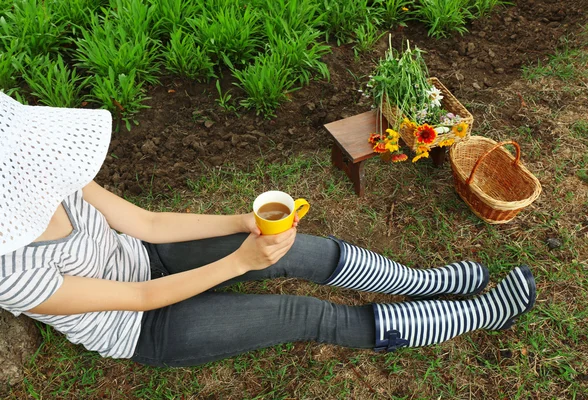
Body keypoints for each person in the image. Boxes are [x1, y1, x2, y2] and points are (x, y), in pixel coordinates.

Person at [0, 92, 536, 367]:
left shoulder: (48, 170)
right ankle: (477, 313)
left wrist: (243, 224)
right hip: (140, 328)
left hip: (147, 259)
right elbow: (139, 299)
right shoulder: (12, 272)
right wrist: (239, 261)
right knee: (304, 314)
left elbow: (144, 223)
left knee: (299, 251)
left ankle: (426, 285)